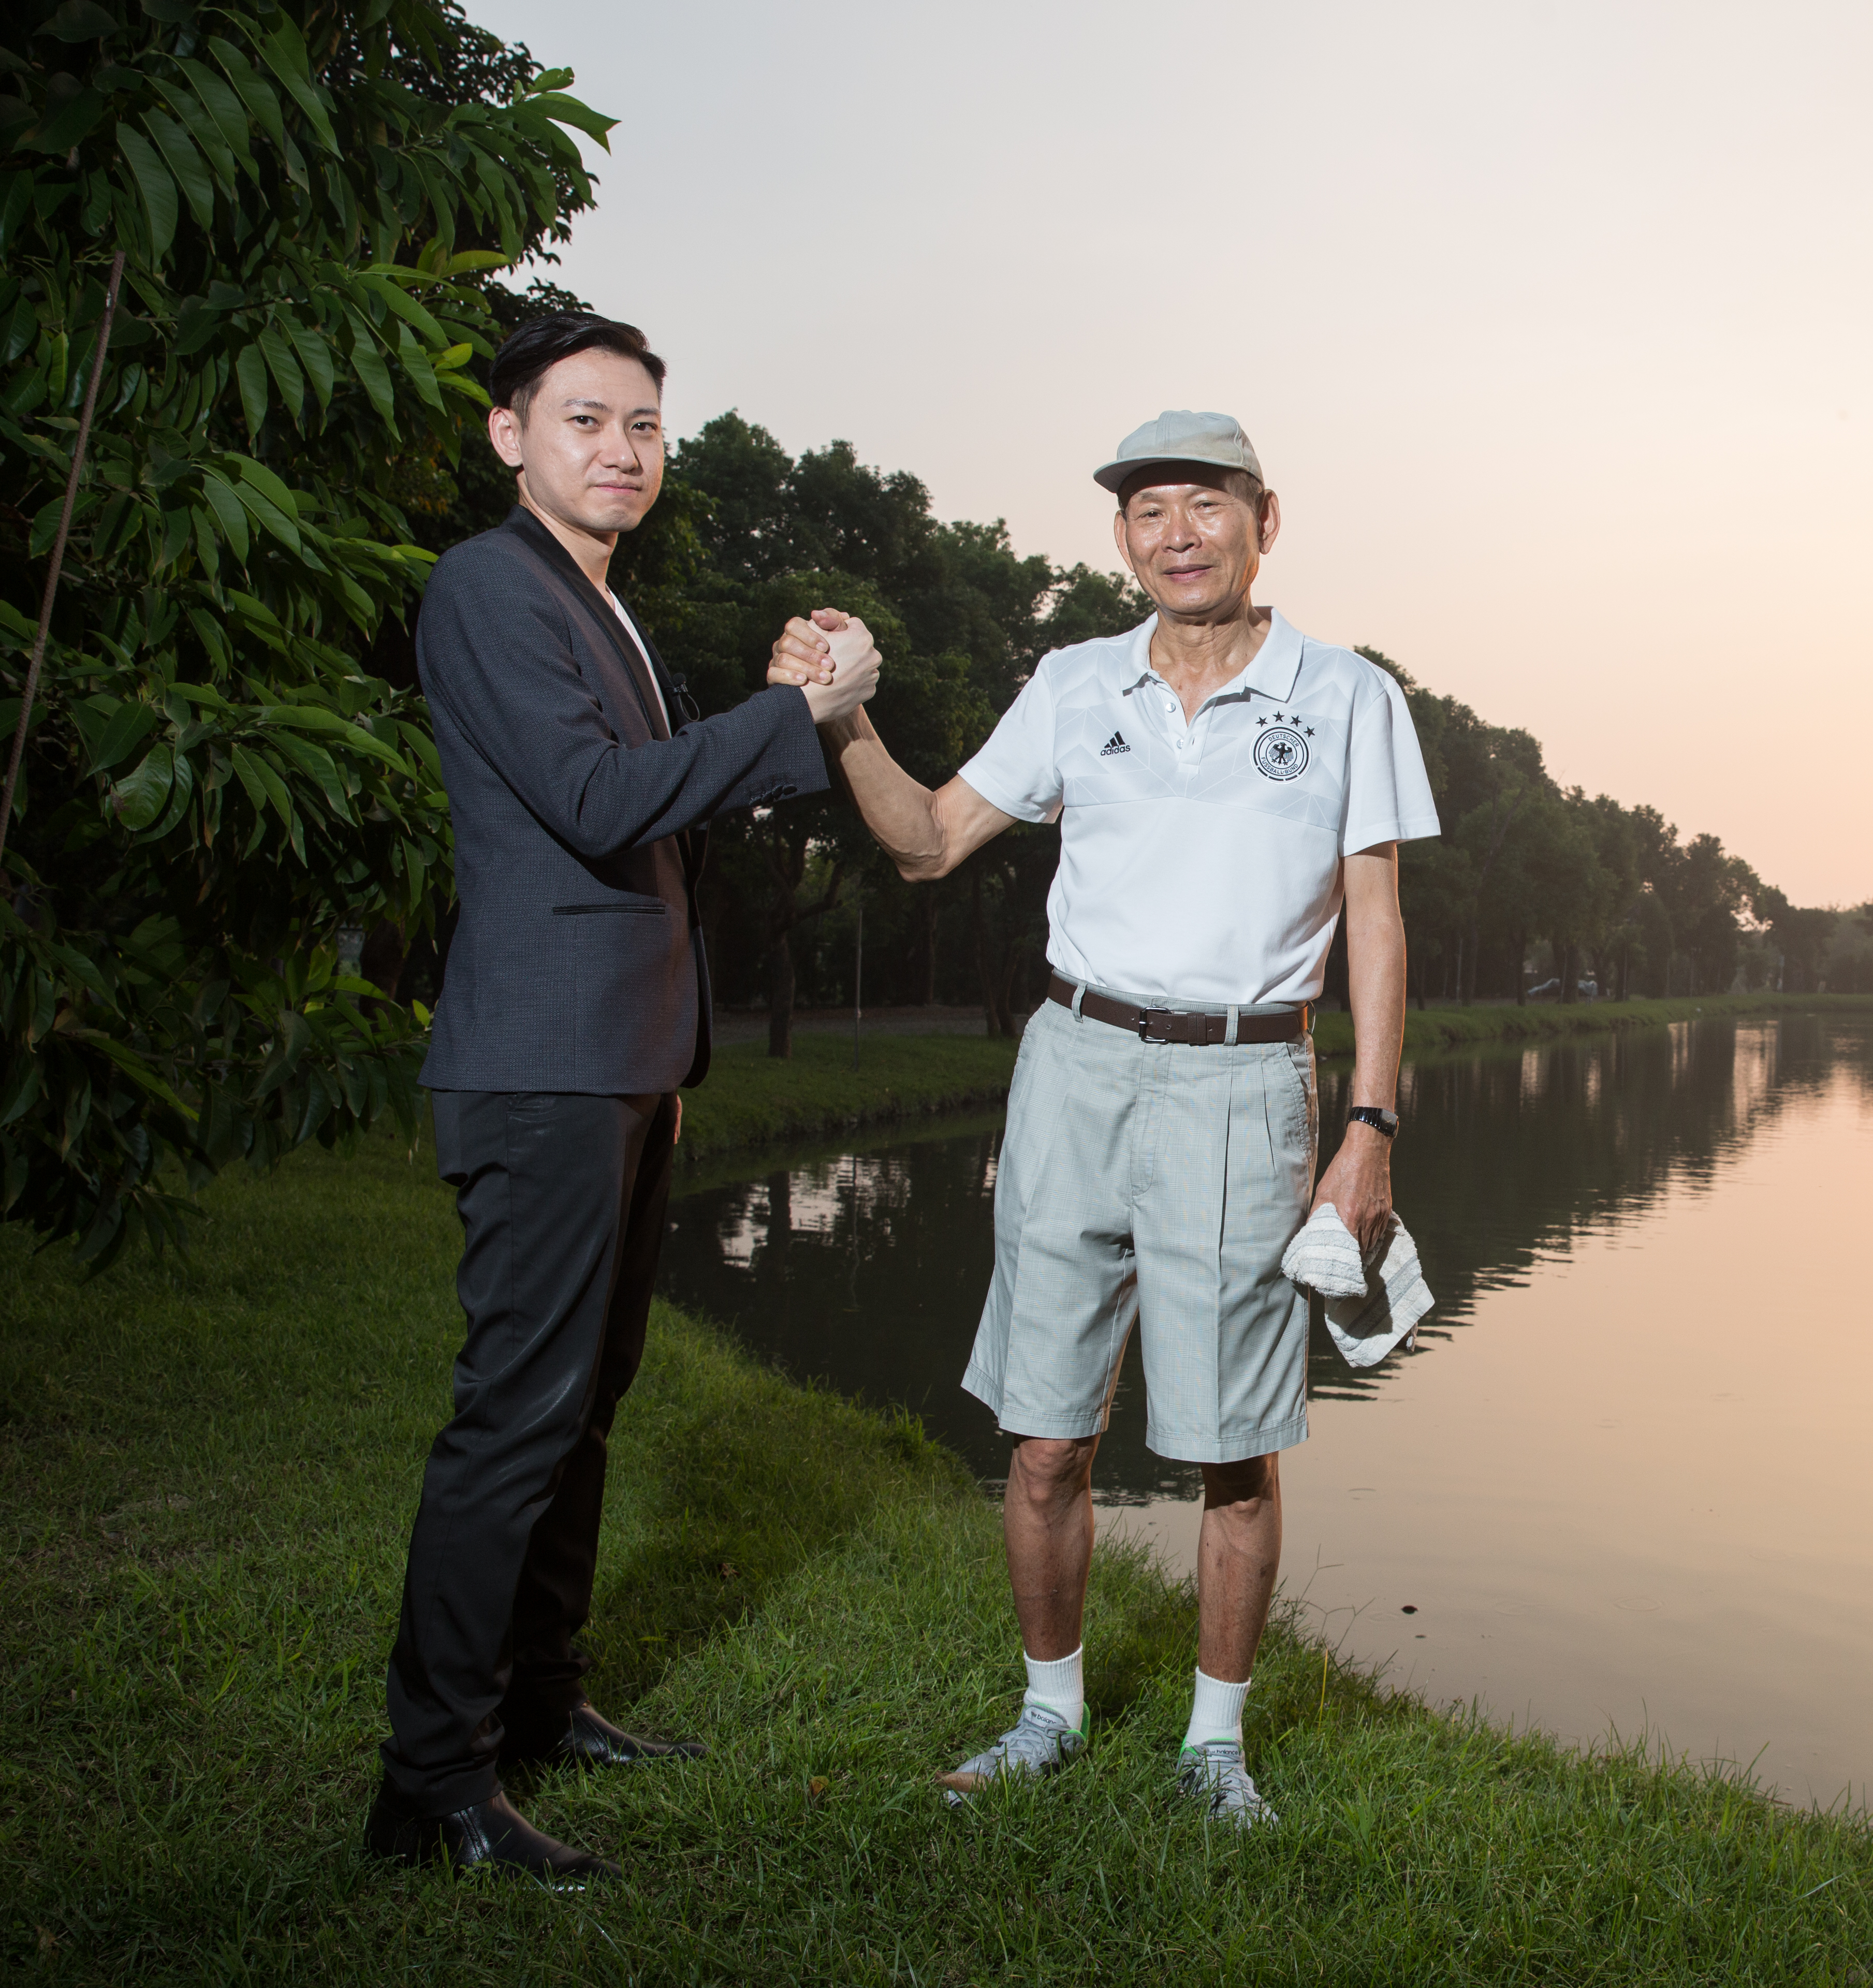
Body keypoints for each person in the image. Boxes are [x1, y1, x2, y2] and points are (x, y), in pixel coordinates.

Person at [766, 411, 1435, 1827]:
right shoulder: (1075, 682)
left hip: (1245, 1081)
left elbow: (1376, 921)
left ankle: (1214, 1750)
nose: (1178, 536)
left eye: (1207, 505)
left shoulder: (1349, 695)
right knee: (1046, 1436)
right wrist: (843, 723)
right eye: (1148, 512)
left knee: (1230, 1446)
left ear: (1266, 520)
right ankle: (1048, 1716)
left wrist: (1369, 1126)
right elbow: (929, 842)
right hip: (1073, 1070)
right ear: (1121, 539)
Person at [368, 312, 880, 1882]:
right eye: (584, 419)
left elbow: (660, 813)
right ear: (510, 435)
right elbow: (594, 804)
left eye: (645, 426)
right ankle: (430, 1786)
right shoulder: (489, 585)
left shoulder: (607, 606)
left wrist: (780, 711)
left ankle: (539, 1705)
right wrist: (796, 717)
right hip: (544, 1065)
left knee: (585, 1406)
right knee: (516, 1416)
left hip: (631, 1059)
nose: (621, 450)